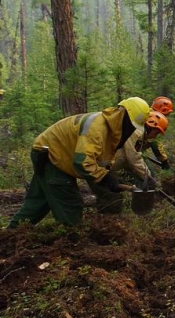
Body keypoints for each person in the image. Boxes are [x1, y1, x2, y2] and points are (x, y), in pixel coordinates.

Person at [8, 97, 151, 228]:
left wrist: (108, 177)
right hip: (50, 156)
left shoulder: (112, 129)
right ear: (123, 116)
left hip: (57, 155)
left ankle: (9, 234)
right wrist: (105, 178)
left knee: (38, 203)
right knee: (71, 205)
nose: (131, 130)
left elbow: (100, 157)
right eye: (131, 125)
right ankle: (71, 244)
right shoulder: (97, 127)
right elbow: (82, 162)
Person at [110, 110, 169, 190]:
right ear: (151, 127)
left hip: (109, 166)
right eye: (156, 133)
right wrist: (148, 177)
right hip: (97, 165)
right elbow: (133, 158)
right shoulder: (136, 133)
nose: (155, 136)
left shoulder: (141, 136)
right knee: (111, 195)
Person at [147, 96, 174, 169]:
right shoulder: (152, 120)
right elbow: (154, 142)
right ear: (163, 110)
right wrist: (164, 160)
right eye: (167, 114)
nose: (167, 116)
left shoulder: (148, 113)